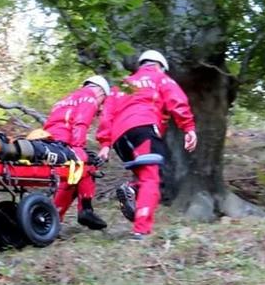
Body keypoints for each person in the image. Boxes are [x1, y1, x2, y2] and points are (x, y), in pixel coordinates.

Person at [96, 50, 198, 239]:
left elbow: (107, 113)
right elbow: (177, 100)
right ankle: (141, 230)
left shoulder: (123, 84)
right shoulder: (160, 78)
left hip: (120, 137)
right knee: (151, 179)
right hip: (143, 129)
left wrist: (105, 143)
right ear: (160, 66)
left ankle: (131, 189)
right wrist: (189, 128)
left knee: (145, 176)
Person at [42, 76, 110, 230]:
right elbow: (81, 123)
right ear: (100, 92)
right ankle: (85, 210)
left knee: (73, 176)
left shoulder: (66, 99)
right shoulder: (89, 98)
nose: (100, 109)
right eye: (103, 102)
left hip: (46, 143)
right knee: (88, 164)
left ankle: (53, 220)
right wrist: (78, 148)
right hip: (63, 143)